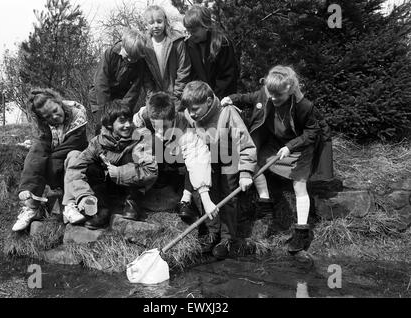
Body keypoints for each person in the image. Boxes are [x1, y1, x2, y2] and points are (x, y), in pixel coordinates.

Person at [221, 65, 334, 255]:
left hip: (300, 147)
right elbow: (247, 97)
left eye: (278, 96)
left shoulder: (304, 106)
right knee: (252, 157)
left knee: (299, 185)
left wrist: (291, 146)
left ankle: (302, 232)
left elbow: (312, 132)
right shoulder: (267, 93)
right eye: (270, 94)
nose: (273, 99)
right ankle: (265, 202)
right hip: (276, 144)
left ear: (289, 89)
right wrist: (230, 99)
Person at [181, 81, 257, 259]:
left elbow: (246, 145)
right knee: (207, 195)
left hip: (230, 158)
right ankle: (212, 233)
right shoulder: (190, 116)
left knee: (228, 196)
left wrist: (246, 172)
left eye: (196, 108)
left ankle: (227, 238)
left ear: (208, 101)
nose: (192, 113)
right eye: (189, 109)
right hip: (207, 159)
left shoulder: (227, 113)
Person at [62, 102, 158, 230]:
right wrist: (83, 195)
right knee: (90, 167)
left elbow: (151, 171)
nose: (128, 125)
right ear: (109, 124)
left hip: (131, 185)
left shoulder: (141, 137)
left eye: (129, 120)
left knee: (132, 158)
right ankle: (102, 209)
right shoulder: (98, 142)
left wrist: (119, 172)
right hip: (108, 185)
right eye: (122, 121)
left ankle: (132, 202)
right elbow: (77, 167)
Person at [133, 91, 216, 224]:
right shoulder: (144, 114)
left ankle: (185, 196)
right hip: (162, 151)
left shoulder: (185, 127)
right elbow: (136, 123)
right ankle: (157, 182)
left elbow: (195, 160)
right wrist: (144, 134)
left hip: (180, 154)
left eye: (164, 126)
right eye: (155, 125)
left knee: (191, 162)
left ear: (173, 118)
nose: (159, 131)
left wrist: (206, 198)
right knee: (152, 141)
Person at [12, 88, 88, 232]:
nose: (54, 117)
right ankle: (31, 204)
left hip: (75, 156)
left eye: (55, 110)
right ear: (43, 119)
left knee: (72, 156)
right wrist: (28, 186)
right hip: (56, 156)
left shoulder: (78, 115)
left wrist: (50, 170)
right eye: (48, 116)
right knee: (36, 152)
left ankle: (69, 205)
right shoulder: (45, 126)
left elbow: (73, 145)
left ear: (59, 102)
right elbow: (40, 152)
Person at [89, 28, 146, 133]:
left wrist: (123, 110)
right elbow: (101, 83)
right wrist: (106, 110)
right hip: (100, 99)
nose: (131, 61)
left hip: (121, 100)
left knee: (122, 127)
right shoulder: (109, 54)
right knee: (103, 127)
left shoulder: (140, 64)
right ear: (122, 46)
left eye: (135, 58)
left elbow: (133, 91)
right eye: (128, 57)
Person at [182, 5, 238, 102]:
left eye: (194, 30)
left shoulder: (222, 43)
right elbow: (193, 75)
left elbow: (228, 75)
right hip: (201, 99)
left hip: (223, 97)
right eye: (188, 30)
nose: (191, 34)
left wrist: (215, 99)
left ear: (206, 26)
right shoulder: (189, 45)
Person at [142, 5, 191, 111]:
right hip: (155, 99)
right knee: (159, 126)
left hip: (176, 97)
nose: (155, 26)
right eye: (151, 23)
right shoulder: (144, 46)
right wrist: (152, 96)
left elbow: (184, 69)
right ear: (146, 25)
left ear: (165, 21)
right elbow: (146, 76)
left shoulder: (176, 41)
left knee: (176, 125)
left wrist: (176, 94)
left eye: (159, 21)